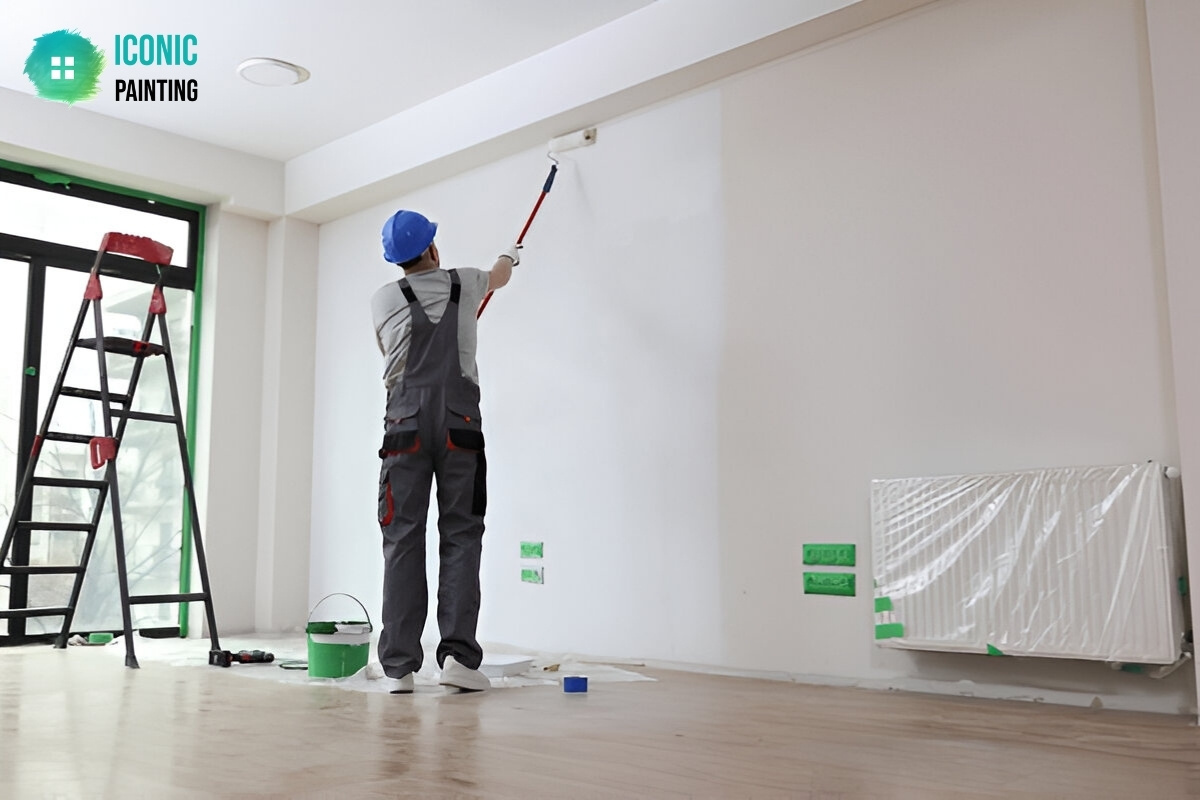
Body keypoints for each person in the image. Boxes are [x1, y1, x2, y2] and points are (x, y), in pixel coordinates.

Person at [370, 209, 517, 693]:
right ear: (433, 249)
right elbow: (500, 277)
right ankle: (457, 660)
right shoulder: (467, 282)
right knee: (461, 535)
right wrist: (507, 257)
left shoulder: (384, 299)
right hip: (460, 426)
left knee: (402, 541)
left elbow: (390, 356)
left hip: (404, 427)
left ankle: (399, 669)